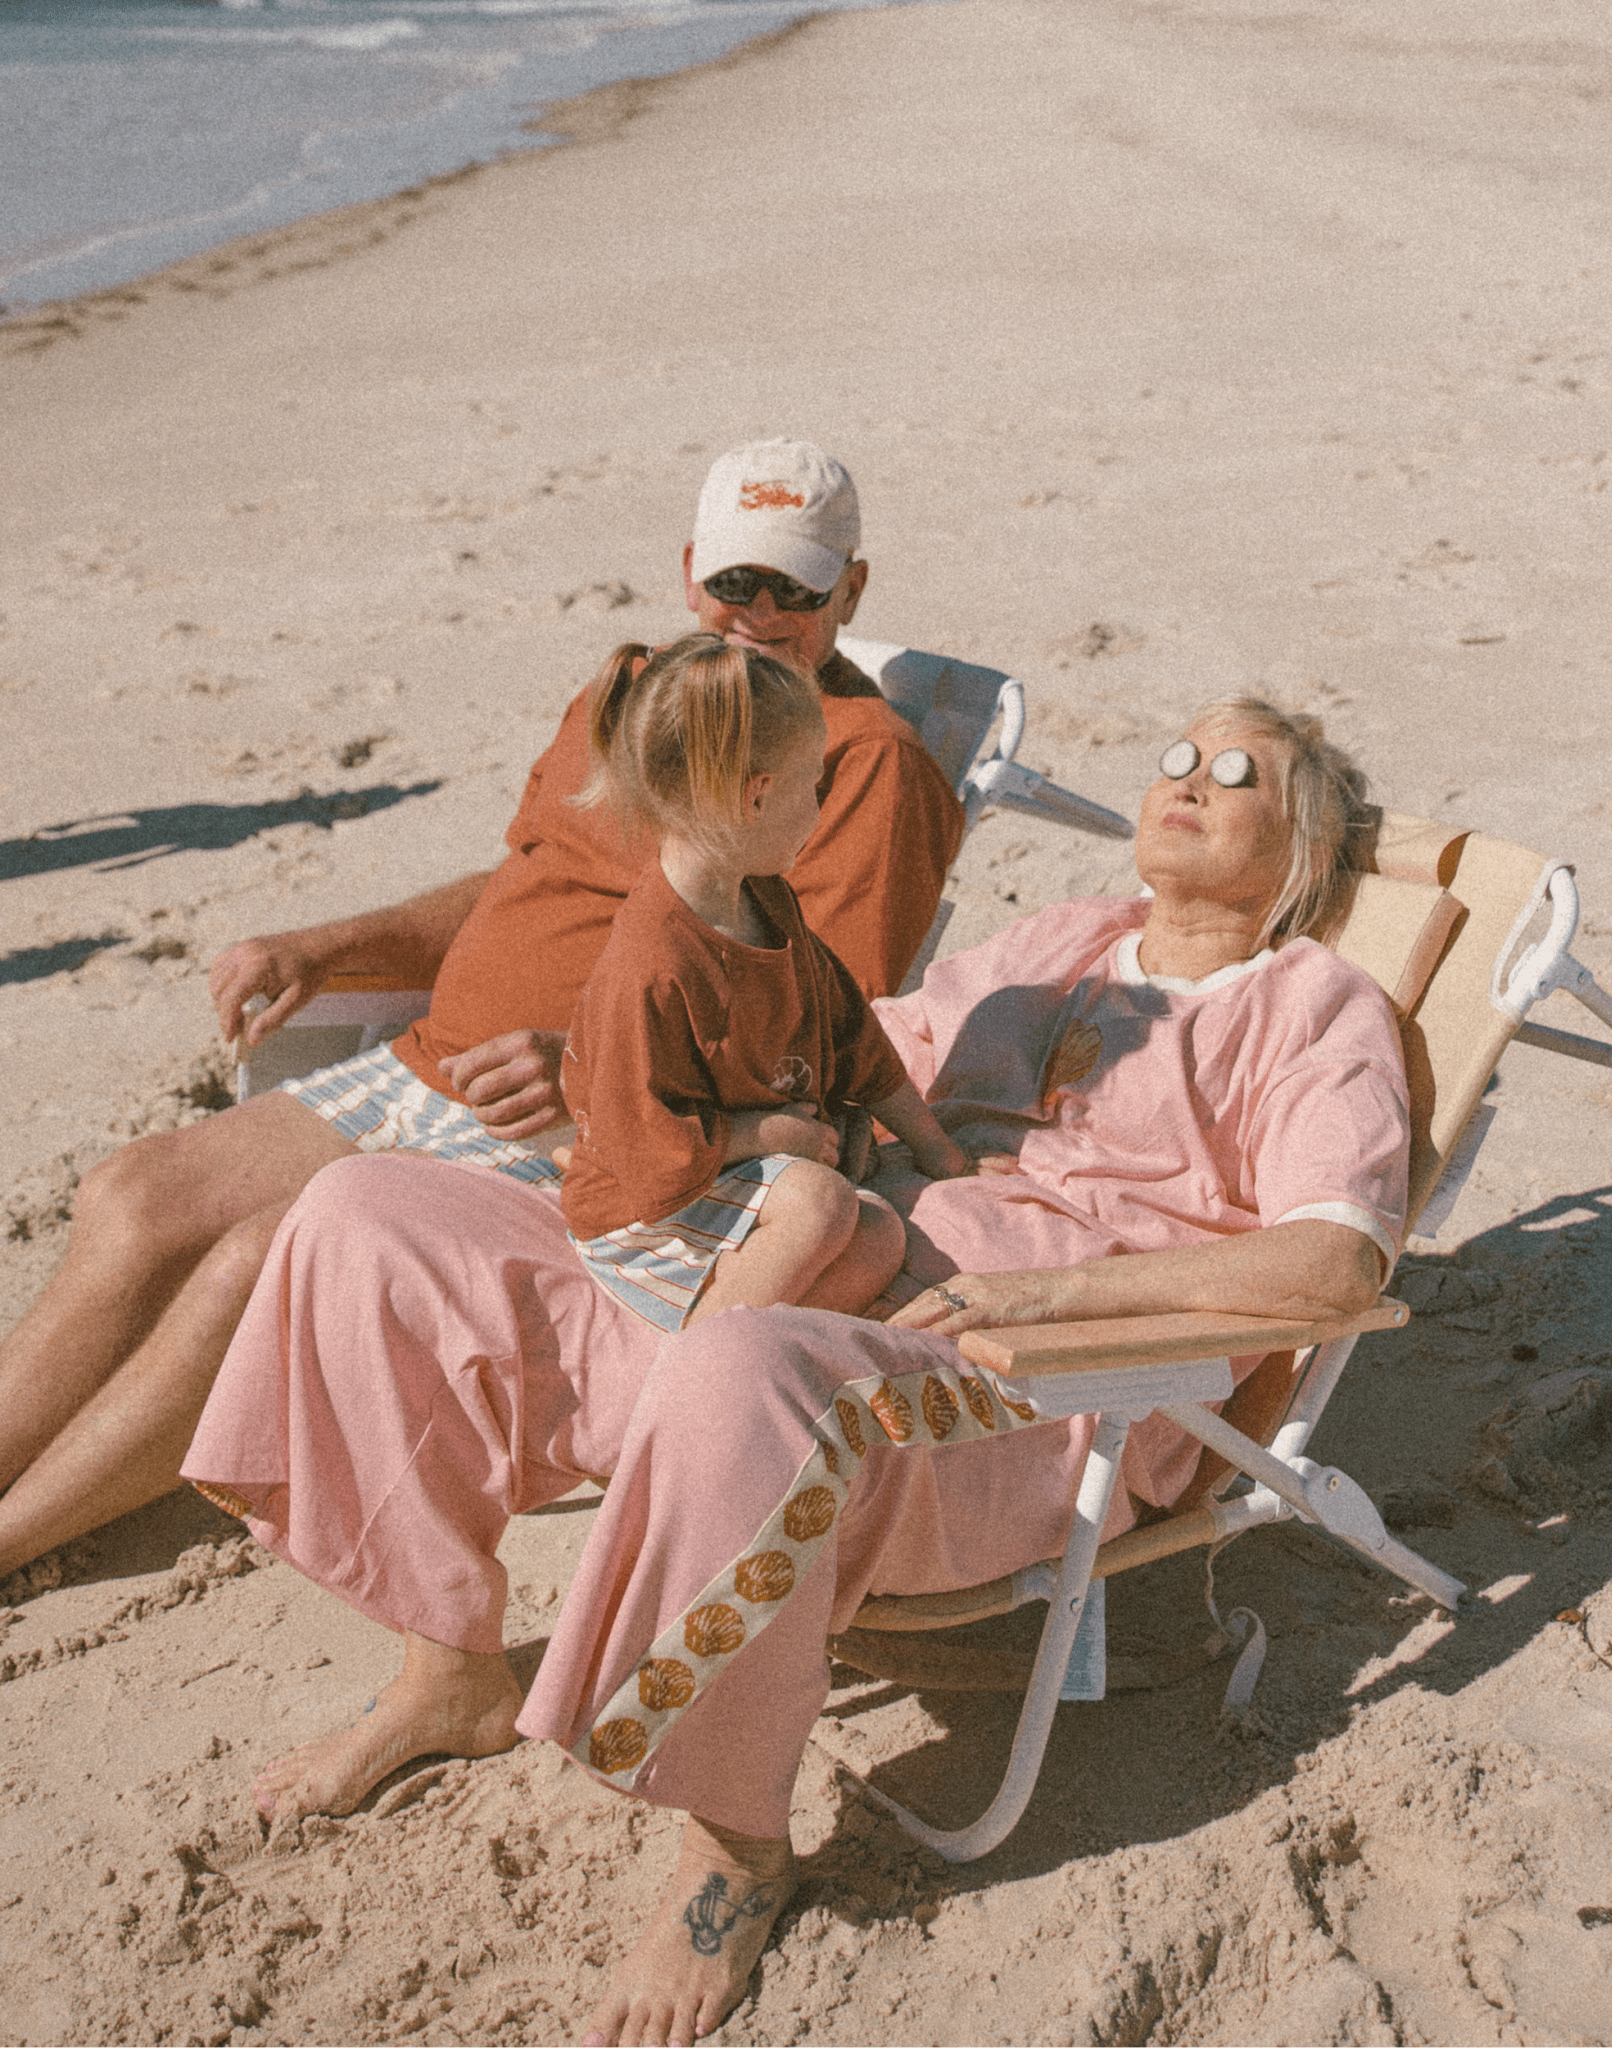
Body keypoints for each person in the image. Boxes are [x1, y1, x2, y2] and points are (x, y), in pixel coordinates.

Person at [184, 695, 1407, 2047]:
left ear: (1298, 845)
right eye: (1173, 754)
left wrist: (1044, 1289)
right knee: (375, 1217)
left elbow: (1332, 1269)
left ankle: (734, 1852)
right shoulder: (1063, 938)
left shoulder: (1315, 1005)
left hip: (1029, 1386)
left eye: (1236, 774)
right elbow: (841, 1053)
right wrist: (596, 1075)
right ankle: (448, 1669)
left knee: (739, 1376)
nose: (1184, 779)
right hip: (808, 1264)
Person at [0, 439, 965, 1578]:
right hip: (429, 1060)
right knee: (132, 1196)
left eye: (797, 590)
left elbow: (815, 1023)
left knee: (257, 1262)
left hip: (580, 1119)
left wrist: (587, 1060)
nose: (759, 613)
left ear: (851, 590)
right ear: (692, 569)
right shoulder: (637, 692)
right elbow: (527, 881)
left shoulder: (858, 764)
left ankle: (17, 1537)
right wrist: (338, 943)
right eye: (736, 582)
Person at [558, 635, 966, 1330]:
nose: (819, 807)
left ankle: (732, 1341)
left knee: (878, 1237)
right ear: (757, 797)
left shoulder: (768, 903)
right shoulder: (652, 963)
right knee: (821, 1204)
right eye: (815, 784)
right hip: (642, 1214)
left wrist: (936, 1148)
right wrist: (763, 1134)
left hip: (738, 1185)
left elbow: (849, 1032)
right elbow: (639, 1144)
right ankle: (694, 1367)